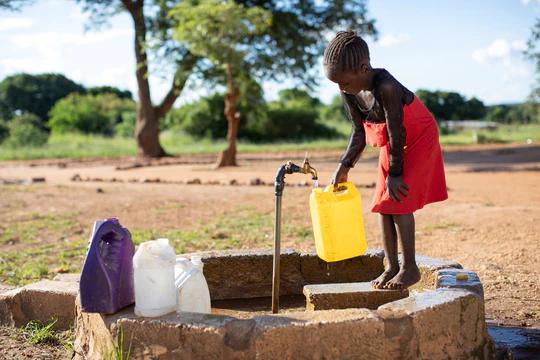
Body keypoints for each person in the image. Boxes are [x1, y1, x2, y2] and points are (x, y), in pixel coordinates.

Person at [324, 31, 448, 290]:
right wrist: (344, 166)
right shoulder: (349, 89)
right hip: (393, 141)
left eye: (343, 81)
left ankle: (409, 268)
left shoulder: (386, 87)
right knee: (382, 202)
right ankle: (391, 265)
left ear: (363, 68)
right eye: (336, 83)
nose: (340, 87)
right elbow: (359, 131)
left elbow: (397, 131)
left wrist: (395, 174)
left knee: (398, 199)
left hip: (417, 135)